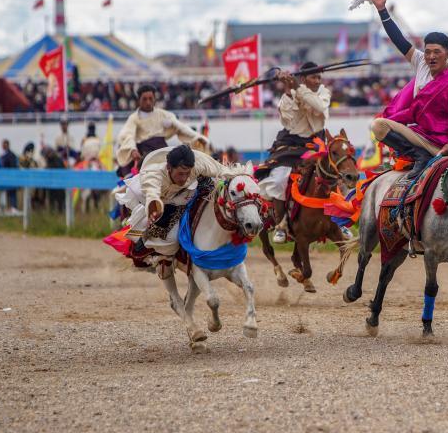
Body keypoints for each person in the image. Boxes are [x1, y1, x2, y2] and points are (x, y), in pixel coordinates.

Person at [370, 0, 448, 178]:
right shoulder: (420, 61)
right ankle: (417, 155)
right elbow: (398, 39)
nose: (431, 56)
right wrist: (381, 9)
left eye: (437, 52)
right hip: (419, 137)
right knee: (378, 125)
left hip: (441, 144)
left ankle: (422, 156)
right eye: (428, 52)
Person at [116, 144, 243, 278]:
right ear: (169, 168)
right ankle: (159, 255)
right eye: (180, 174)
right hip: (159, 200)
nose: (183, 178)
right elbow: (151, 192)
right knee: (165, 238)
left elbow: (222, 170)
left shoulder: (198, 164)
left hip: (188, 192)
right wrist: (155, 206)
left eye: (187, 173)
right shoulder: (152, 174)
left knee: (210, 188)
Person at [255, 63, 331, 243]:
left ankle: (338, 222)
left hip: (315, 142)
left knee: (337, 173)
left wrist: (297, 87)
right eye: (313, 77)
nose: (317, 81)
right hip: (291, 143)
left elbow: (319, 107)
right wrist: (291, 90)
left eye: (319, 77)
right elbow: (289, 120)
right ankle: (281, 225)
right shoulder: (288, 95)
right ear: (304, 78)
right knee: (279, 178)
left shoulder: (324, 92)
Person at [116, 85, 209, 176]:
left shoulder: (164, 115)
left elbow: (181, 127)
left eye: (150, 98)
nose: (148, 102)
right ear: (139, 100)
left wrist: (198, 137)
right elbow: (127, 135)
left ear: (154, 99)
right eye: (144, 99)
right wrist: (132, 150)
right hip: (143, 156)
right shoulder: (134, 118)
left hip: (162, 152)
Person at [0, 139, 20, 211]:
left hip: (10, 176)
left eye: (5, 144)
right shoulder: (3, 154)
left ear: (8, 145)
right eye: (3, 144)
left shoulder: (10, 155)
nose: (3, 146)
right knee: (6, 192)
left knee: (12, 192)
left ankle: (13, 207)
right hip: (4, 177)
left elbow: (13, 166)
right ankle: (8, 207)